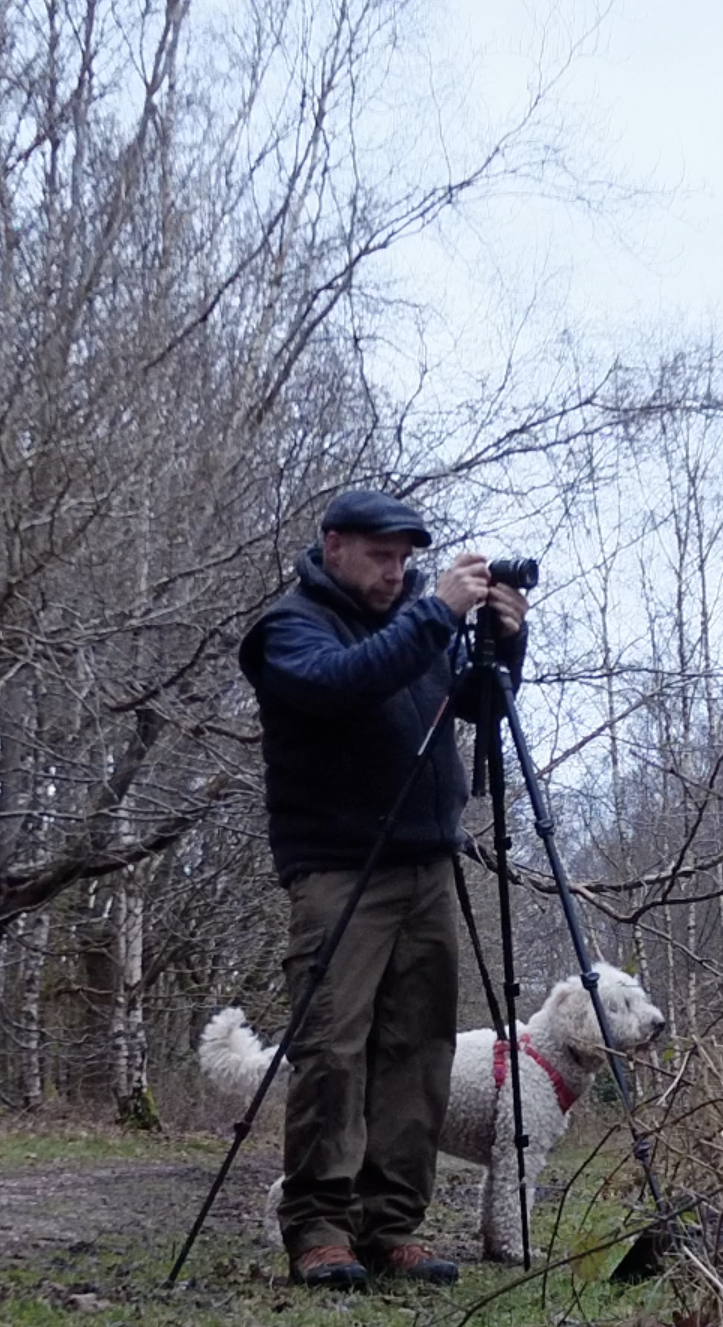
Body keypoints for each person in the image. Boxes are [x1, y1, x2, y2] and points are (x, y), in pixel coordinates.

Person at [237, 489, 528, 1288]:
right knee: (333, 1046)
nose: (394, 571)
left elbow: (475, 702)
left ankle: (390, 1222)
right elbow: (341, 686)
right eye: (379, 554)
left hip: (426, 861)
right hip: (337, 866)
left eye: (404, 558)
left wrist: (508, 639)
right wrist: (435, 613)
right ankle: (320, 1227)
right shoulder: (291, 627)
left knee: (420, 1047)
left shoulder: (413, 624)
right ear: (332, 545)